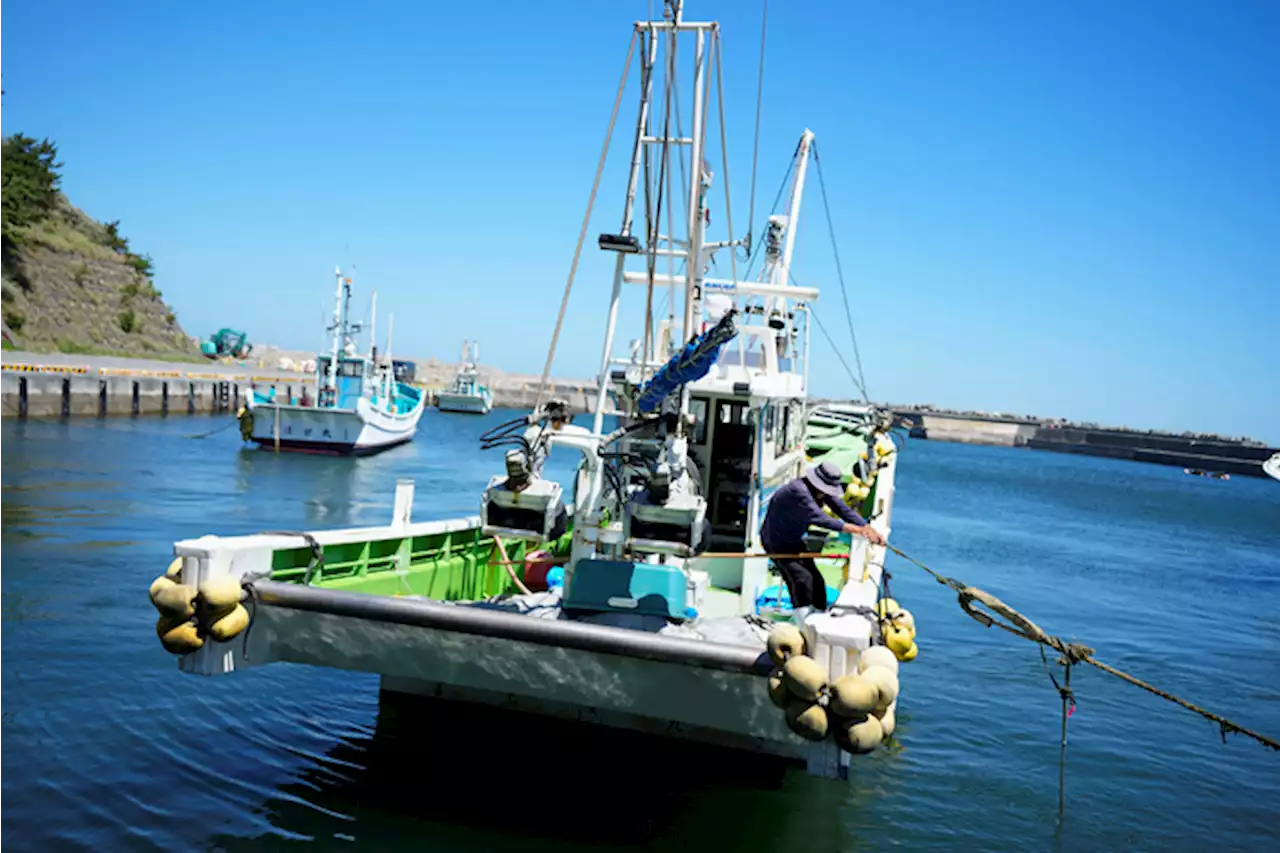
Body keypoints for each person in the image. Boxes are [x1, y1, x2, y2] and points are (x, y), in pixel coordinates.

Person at [760, 461, 885, 619]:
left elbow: (841, 509)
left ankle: (818, 617)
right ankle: (803, 622)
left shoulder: (818, 491)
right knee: (801, 579)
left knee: (817, 582)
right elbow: (820, 518)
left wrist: (867, 528)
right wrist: (855, 529)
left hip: (794, 541)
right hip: (776, 542)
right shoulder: (798, 491)